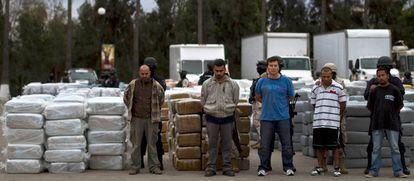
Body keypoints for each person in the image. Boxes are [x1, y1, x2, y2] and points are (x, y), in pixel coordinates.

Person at [363, 56, 410, 175]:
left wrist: (392, 111)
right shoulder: (373, 81)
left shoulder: (396, 81)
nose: (383, 71)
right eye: (381, 68)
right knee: (373, 146)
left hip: (392, 118)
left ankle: (402, 168)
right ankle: (371, 168)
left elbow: (400, 96)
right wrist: (372, 90)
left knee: (397, 145)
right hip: (376, 118)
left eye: (386, 68)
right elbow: (367, 97)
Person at [255, 56, 296, 176]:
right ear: (267, 67)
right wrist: (268, 103)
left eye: (275, 66)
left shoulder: (286, 81)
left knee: (286, 145)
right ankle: (264, 167)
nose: (273, 68)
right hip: (266, 118)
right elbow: (258, 96)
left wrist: (280, 104)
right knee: (265, 145)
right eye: (270, 65)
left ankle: (288, 167)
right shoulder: (261, 81)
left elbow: (290, 97)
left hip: (283, 117)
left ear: (279, 67)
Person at [123, 65, 165, 175]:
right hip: (137, 119)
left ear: (150, 73)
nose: (144, 76)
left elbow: (161, 98)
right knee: (136, 144)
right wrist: (132, 108)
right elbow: (126, 97)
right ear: (139, 73)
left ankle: (154, 167)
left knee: (152, 144)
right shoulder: (133, 85)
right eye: (142, 74)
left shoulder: (156, 85)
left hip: (152, 119)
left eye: (146, 73)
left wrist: (155, 109)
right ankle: (135, 167)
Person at [201, 59, 240, 177]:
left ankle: (227, 167)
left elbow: (235, 100)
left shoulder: (233, 84)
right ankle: (211, 167)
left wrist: (228, 109)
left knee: (227, 144)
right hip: (212, 118)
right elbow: (203, 100)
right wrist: (210, 109)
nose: (219, 73)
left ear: (225, 69)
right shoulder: (207, 84)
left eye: (221, 70)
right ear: (213, 70)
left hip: (227, 118)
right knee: (212, 144)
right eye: (216, 71)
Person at [310, 66, 346, 177]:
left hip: (333, 123)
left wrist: (336, 118)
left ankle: (336, 168)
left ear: (332, 76)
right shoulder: (315, 88)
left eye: (328, 76)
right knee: (319, 146)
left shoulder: (338, 88)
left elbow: (343, 105)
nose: (326, 79)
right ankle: (321, 167)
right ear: (321, 76)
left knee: (335, 146)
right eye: (323, 76)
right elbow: (314, 104)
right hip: (319, 123)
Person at [141, 57, 166, 170]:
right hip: (153, 114)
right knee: (155, 140)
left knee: (145, 139)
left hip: (151, 115)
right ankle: (158, 162)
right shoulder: (159, 80)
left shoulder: (156, 81)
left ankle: (147, 162)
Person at [248, 60, 267, 149]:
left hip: (259, 103)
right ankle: (260, 141)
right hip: (260, 103)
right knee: (259, 123)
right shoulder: (263, 79)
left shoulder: (261, 79)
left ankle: (263, 142)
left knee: (258, 123)